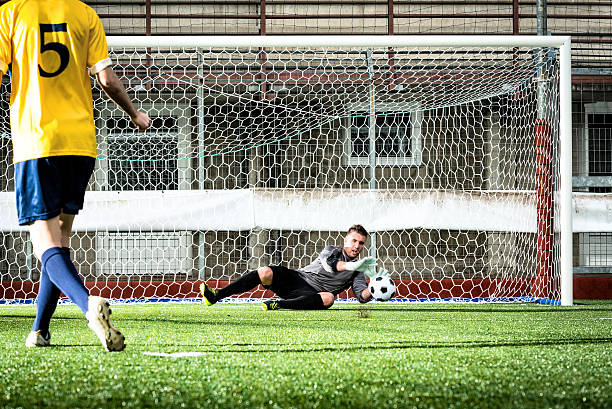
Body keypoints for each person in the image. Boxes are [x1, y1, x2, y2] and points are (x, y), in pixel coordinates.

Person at [0, 0, 150, 351]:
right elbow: (106, 78)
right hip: (81, 143)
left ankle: (88, 306)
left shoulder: (12, 12)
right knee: (60, 239)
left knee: (43, 242)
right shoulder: (85, 14)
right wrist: (134, 113)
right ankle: (40, 330)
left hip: (37, 140)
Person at [200, 224, 379, 310]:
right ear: (346, 240)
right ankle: (216, 295)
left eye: (361, 243)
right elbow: (330, 265)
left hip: (310, 296)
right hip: (298, 279)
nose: (357, 246)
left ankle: (278, 305)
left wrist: (375, 288)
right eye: (354, 241)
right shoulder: (331, 250)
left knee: (329, 298)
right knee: (265, 272)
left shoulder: (359, 269)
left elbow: (361, 297)